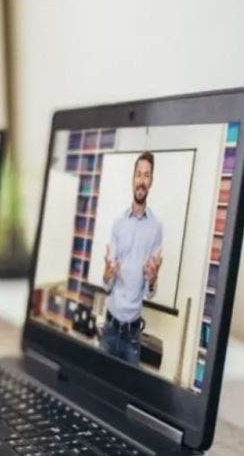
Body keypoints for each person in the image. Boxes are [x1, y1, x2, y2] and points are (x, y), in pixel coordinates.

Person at [101, 151, 163, 365]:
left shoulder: (156, 228)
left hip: (133, 336)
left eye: (147, 175)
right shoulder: (118, 224)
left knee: (128, 395)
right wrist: (107, 275)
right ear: (132, 179)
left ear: (151, 181)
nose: (142, 180)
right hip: (109, 329)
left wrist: (153, 279)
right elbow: (108, 283)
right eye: (139, 174)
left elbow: (150, 291)